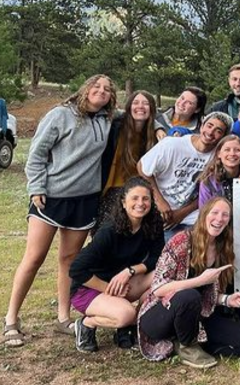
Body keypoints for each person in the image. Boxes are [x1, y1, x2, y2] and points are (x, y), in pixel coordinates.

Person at [4, 75, 117, 347]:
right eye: (96, 86)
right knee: (34, 257)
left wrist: (163, 128)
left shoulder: (107, 119)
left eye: (107, 89)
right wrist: (36, 188)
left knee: (68, 259)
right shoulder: (60, 115)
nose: (101, 91)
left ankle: (63, 318)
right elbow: (37, 153)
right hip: (51, 197)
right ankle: (10, 320)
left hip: (85, 200)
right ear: (86, 89)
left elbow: (144, 112)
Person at [137, 197, 240, 368]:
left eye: (225, 215)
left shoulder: (223, 248)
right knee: (189, 295)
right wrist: (199, 280)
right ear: (203, 215)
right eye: (214, 213)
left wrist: (227, 300)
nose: (219, 218)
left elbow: (206, 295)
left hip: (196, 314)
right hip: (161, 314)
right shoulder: (181, 241)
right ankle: (187, 345)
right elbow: (158, 288)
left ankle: (187, 342)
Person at [69, 177, 164, 352]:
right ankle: (86, 323)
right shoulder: (109, 231)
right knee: (126, 314)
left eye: (145, 198)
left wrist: (130, 271)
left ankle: (132, 327)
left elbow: (157, 258)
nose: (140, 203)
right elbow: (76, 269)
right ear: (123, 202)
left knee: (161, 276)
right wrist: (108, 289)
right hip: (89, 288)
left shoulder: (152, 224)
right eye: (134, 198)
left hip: (120, 282)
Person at [138, 111, 232, 239]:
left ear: (223, 137)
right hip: (161, 209)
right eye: (209, 126)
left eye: (218, 131)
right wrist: (160, 202)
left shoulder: (219, 156)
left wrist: (181, 214)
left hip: (191, 215)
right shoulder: (172, 144)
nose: (210, 132)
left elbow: (208, 192)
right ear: (202, 125)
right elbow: (142, 167)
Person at [97, 89, 159, 232]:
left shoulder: (153, 136)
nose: (140, 106)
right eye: (136, 103)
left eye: (145, 103)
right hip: (109, 191)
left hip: (136, 193)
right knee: (105, 236)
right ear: (129, 106)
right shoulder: (116, 126)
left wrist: (159, 127)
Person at [198, 135, 240, 208]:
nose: (232, 154)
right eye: (227, 150)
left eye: (237, 150)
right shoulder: (208, 181)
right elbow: (203, 211)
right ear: (219, 154)